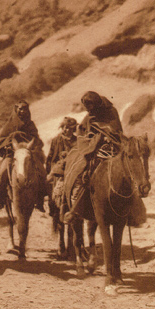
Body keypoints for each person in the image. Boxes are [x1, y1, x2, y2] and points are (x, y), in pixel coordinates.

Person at [62, 91, 123, 223]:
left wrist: (109, 137)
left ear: (96, 104)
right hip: (95, 149)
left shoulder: (111, 112)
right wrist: (91, 140)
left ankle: (133, 205)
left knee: (127, 169)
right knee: (85, 171)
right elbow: (82, 131)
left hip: (113, 146)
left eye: (90, 107)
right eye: (87, 108)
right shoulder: (90, 115)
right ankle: (76, 206)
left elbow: (117, 130)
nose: (89, 110)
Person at [0, 100, 48, 212]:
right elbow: (0, 140)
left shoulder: (30, 124)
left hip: (28, 153)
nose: (22, 111)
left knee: (42, 172)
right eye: (20, 109)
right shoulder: (9, 124)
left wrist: (30, 142)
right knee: (3, 171)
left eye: (24, 109)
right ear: (16, 110)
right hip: (12, 154)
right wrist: (10, 139)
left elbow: (36, 139)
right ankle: (0, 199)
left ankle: (40, 200)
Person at [46, 117, 78, 217]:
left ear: (73, 129)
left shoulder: (77, 141)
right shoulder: (56, 140)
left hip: (73, 168)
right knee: (51, 188)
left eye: (69, 128)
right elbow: (50, 157)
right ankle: (52, 207)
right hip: (58, 168)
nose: (66, 130)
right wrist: (50, 170)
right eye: (64, 127)